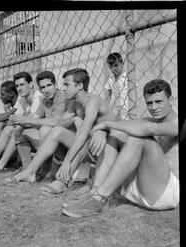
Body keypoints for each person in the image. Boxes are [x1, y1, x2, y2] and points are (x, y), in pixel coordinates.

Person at [62, 79, 179, 218]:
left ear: (170, 99)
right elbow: (127, 125)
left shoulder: (177, 123)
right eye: (149, 103)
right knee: (116, 134)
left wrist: (105, 124)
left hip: (167, 193)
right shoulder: (150, 120)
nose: (154, 108)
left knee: (138, 138)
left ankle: (99, 198)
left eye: (159, 102)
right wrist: (104, 130)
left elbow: (150, 129)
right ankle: (95, 193)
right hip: (144, 186)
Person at [4, 68, 115, 195]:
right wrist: (74, 118)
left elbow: (84, 133)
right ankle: (29, 172)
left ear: (79, 86)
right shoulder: (74, 103)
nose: (63, 88)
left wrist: (67, 162)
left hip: (105, 149)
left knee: (83, 137)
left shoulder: (92, 101)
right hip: (91, 148)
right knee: (57, 131)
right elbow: (59, 123)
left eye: (67, 84)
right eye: (63, 84)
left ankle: (62, 181)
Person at [7, 70, 66, 179]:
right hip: (51, 140)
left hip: (64, 142)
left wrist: (26, 120)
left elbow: (56, 121)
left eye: (49, 85)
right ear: (39, 89)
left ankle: (48, 170)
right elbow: (34, 117)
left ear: (55, 84)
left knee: (45, 130)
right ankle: (28, 171)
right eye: (43, 87)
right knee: (19, 130)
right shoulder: (44, 100)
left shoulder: (61, 98)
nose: (47, 90)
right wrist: (18, 120)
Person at [0, 71, 42, 170]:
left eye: (22, 84)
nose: (19, 88)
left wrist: (17, 121)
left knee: (18, 129)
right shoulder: (22, 99)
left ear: (30, 84)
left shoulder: (38, 98)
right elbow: (15, 119)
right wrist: (14, 121)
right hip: (30, 132)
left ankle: (1, 164)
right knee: (8, 129)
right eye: (17, 86)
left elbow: (31, 122)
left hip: (42, 133)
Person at [104, 52, 129, 120]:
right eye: (111, 67)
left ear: (122, 63)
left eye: (116, 65)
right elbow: (108, 94)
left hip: (126, 108)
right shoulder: (110, 79)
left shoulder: (127, 77)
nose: (113, 69)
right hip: (114, 109)